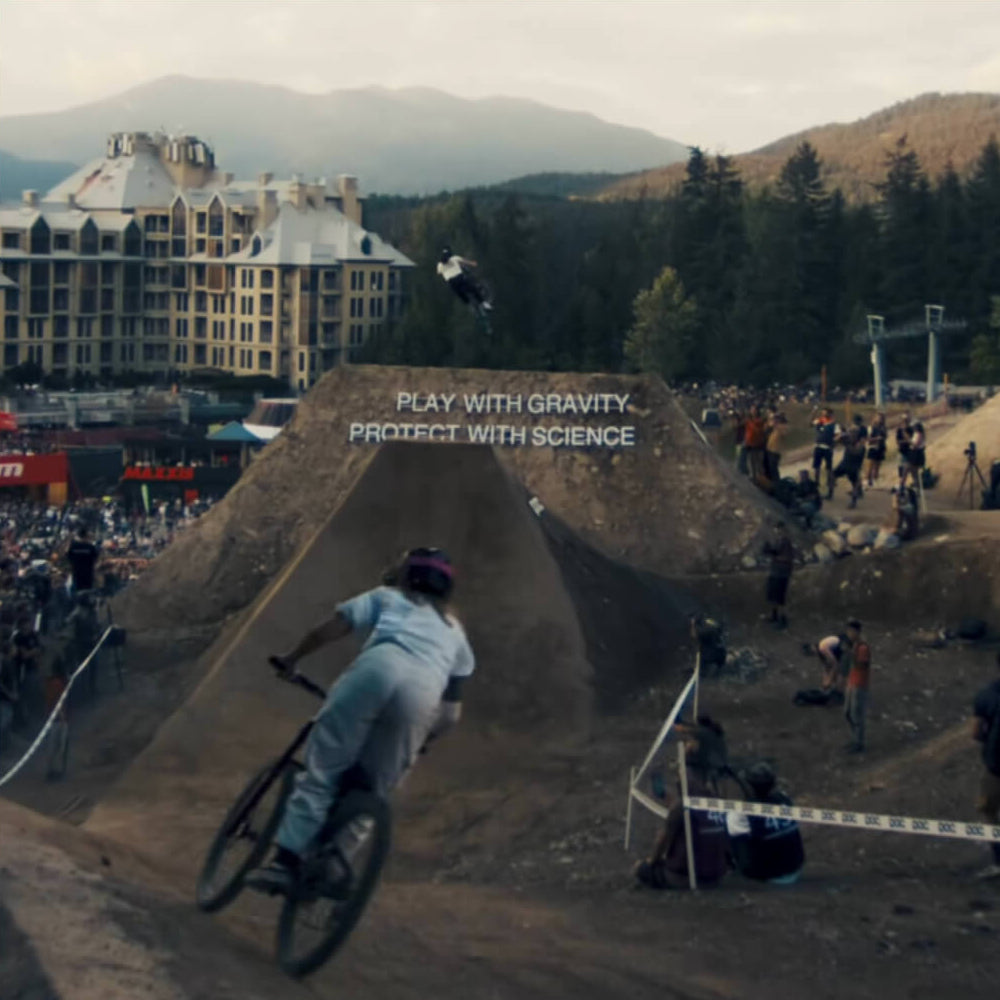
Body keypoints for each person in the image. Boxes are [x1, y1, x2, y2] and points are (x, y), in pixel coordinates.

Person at [249, 548, 475, 894]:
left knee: (323, 771)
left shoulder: (388, 596)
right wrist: (422, 741)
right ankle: (334, 866)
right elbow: (450, 715)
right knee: (375, 791)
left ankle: (284, 864)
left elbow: (329, 629)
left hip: (376, 671)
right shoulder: (455, 632)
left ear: (405, 575)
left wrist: (292, 659)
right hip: (423, 694)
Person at [634, 721, 729, 890]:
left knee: (639, 868)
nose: (677, 777)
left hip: (685, 876)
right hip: (718, 875)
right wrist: (663, 795)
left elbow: (663, 840)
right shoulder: (715, 798)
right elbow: (686, 806)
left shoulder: (683, 804)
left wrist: (650, 862)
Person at [727, 762, 805, 884]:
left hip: (768, 874)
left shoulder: (741, 811)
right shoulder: (784, 799)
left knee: (733, 832)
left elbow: (738, 843)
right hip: (795, 868)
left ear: (749, 786)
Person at [970, 651, 1000, 879]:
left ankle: (999, 861)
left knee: (989, 812)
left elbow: (976, 732)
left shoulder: (987, 695)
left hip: (996, 766)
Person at [843, 619, 871, 753]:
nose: (849, 634)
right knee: (848, 713)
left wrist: (851, 654)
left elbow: (862, 665)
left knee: (856, 714)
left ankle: (859, 742)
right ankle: (855, 739)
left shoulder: (862, 647)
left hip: (860, 684)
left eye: (851, 631)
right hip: (852, 682)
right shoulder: (854, 645)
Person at [437, 248, 492, 313]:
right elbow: (465, 261)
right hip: (459, 278)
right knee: (472, 289)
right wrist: (472, 263)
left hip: (452, 283)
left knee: (461, 294)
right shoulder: (454, 258)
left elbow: (439, 273)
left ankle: (470, 304)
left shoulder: (439, 265)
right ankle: (483, 303)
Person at [762, 521, 794, 629]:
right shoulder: (780, 540)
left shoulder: (784, 541)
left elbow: (778, 553)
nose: (777, 531)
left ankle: (781, 618)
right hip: (778, 570)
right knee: (775, 595)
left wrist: (769, 550)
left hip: (781, 571)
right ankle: (775, 616)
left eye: (778, 529)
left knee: (779, 595)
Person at [833, 424, 866, 508]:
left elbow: (856, 452)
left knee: (855, 484)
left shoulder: (860, 443)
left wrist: (847, 444)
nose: (851, 434)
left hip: (853, 466)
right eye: (850, 432)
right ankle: (830, 492)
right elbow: (835, 441)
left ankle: (853, 502)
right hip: (845, 463)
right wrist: (840, 436)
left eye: (852, 432)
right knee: (832, 474)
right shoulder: (848, 440)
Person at [811, 408, 839, 498]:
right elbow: (811, 423)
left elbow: (838, 435)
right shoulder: (821, 421)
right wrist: (813, 413)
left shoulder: (833, 424)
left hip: (826, 447)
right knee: (818, 468)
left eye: (825, 413)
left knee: (827, 469)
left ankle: (829, 490)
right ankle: (817, 487)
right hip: (820, 446)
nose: (824, 414)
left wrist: (833, 443)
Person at [66, 525, 99, 596]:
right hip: (88, 573)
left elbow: (69, 557)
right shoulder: (90, 547)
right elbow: (95, 559)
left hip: (76, 573)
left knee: (77, 592)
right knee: (88, 592)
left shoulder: (73, 547)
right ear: (86, 536)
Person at [743, 406, 768, 485]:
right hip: (750, 445)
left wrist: (751, 423)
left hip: (758, 445)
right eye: (752, 410)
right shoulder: (748, 421)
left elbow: (759, 431)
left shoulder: (759, 421)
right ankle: (753, 479)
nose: (753, 411)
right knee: (751, 463)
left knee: (759, 464)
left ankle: (761, 481)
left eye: (754, 410)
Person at [764, 412, 787, 486]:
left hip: (775, 451)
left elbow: (784, 434)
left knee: (774, 470)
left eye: (775, 419)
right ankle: (773, 484)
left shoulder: (780, 427)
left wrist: (776, 426)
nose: (774, 421)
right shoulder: (771, 429)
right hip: (769, 450)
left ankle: (777, 485)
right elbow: (765, 429)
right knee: (769, 469)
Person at [865, 412, 888, 487]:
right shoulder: (871, 427)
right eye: (878, 418)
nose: (880, 420)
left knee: (877, 466)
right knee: (870, 466)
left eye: (881, 418)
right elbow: (868, 438)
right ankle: (867, 480)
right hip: (873, 447)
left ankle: (875, 480)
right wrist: (876, 439)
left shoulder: (883, 428)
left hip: (881, 447)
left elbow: (885, 437)